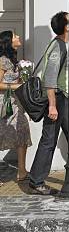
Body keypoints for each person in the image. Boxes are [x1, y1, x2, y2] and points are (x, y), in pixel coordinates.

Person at [29, 12, 69, 195]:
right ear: (66, 27)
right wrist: (52, 105)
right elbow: (50, 79)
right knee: (49, 139)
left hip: (66, 98)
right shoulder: (58, 47)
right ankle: (36, 181)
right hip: (59, 99)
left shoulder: (65, 45)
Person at [0, 30, 32, 183]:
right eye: (15, 36)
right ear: (8, 42)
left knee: (22, 131)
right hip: (5, 104)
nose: (18, 37)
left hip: (15, 103)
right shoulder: (2, 60)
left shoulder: (13, 60)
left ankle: (21, 170)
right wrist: (16, 85)